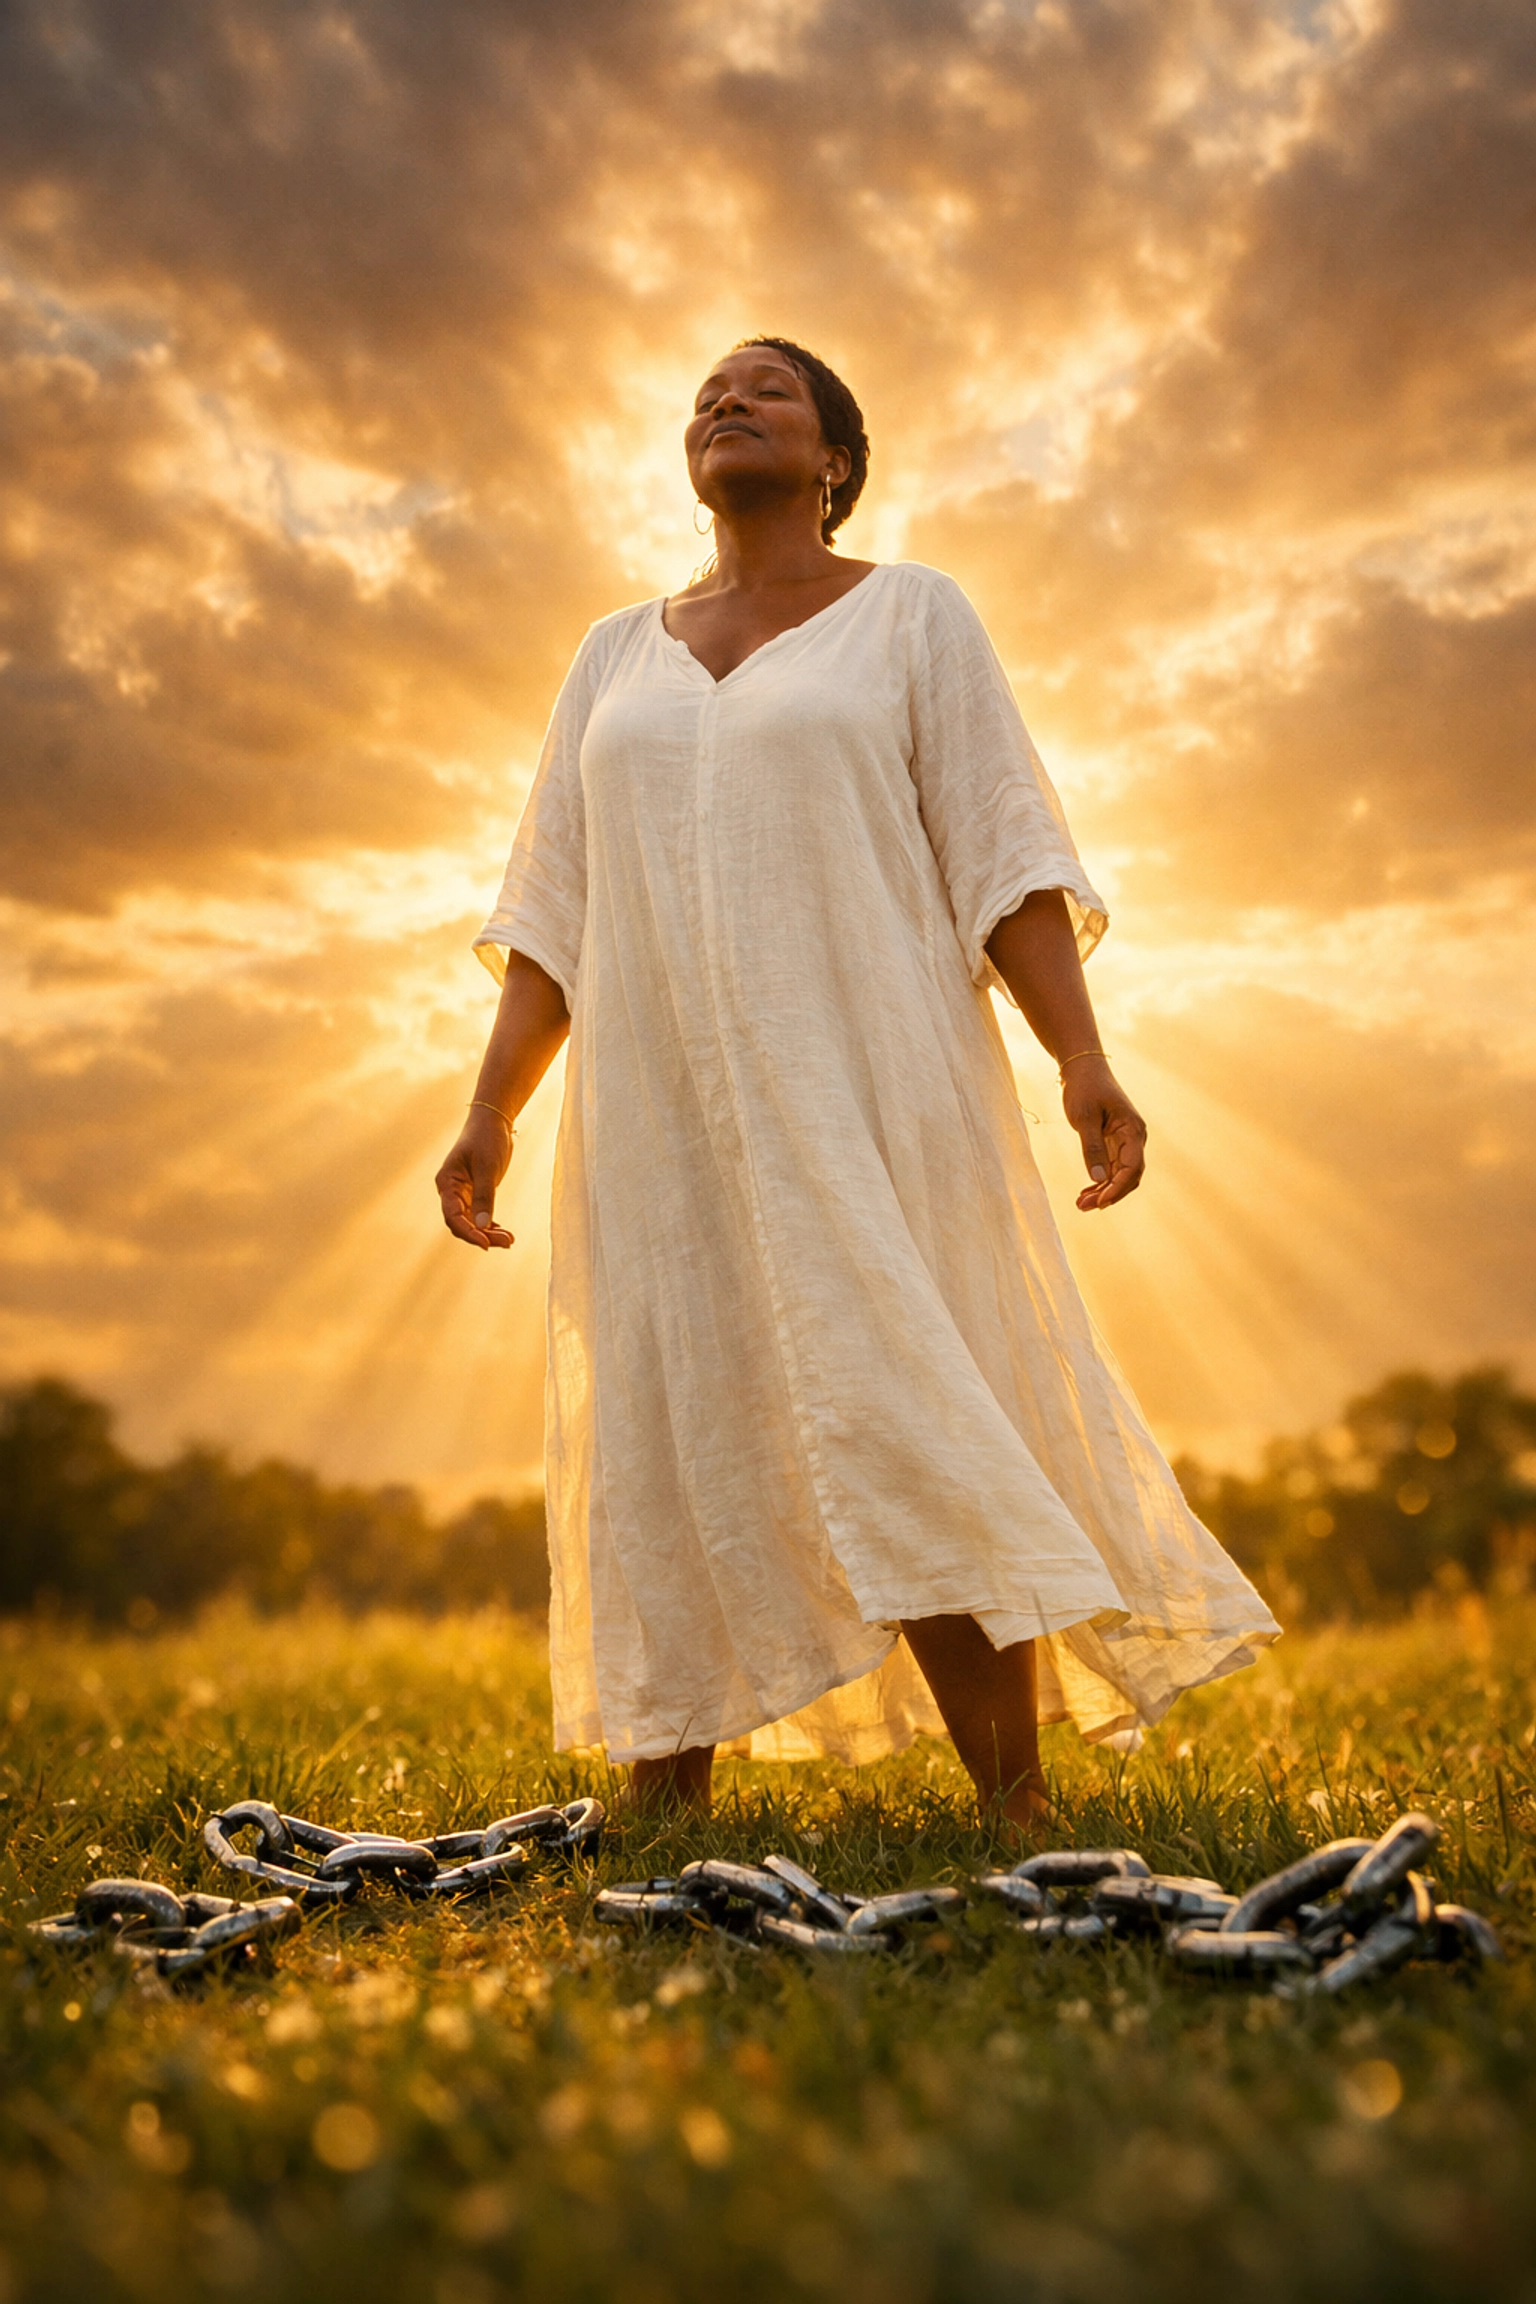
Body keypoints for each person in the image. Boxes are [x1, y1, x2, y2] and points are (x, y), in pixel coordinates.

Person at [436, 337, 1277, 1826]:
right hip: (660, 1120)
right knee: (674, 1410)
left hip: (869, 1087)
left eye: (767, 386)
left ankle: (1015, 1809)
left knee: (908, 1394)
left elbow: (1002, 854)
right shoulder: (610, 656)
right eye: (705, 387)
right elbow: (553, 912)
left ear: (833, 457)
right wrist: (491, 1112)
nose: (724, 399)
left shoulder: (910, 616)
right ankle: (659, 1806)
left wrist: (1080, 1057)